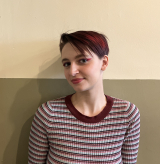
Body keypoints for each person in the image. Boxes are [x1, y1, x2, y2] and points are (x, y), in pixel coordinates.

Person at [28, 31, 140, 164]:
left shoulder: (127, 113)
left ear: (104, 63)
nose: (72, 71)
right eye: (67, 64)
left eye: (82, 60)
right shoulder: (48, 113)